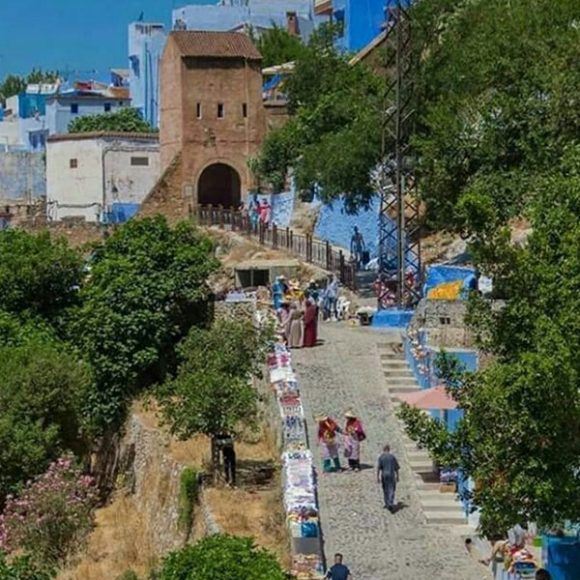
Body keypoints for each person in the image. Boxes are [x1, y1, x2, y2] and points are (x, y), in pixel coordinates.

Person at [377, 444, 400, 511]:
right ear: (389, 449)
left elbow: (378, 468)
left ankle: (387, 503)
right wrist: (398, 476)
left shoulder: (381, 457)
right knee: (392, 488)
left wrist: (377, 477)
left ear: (384, 449)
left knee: (385, 488)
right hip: (391, 474)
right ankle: (390, 502)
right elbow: (396, 468)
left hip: (384, 474)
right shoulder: (392, 457)